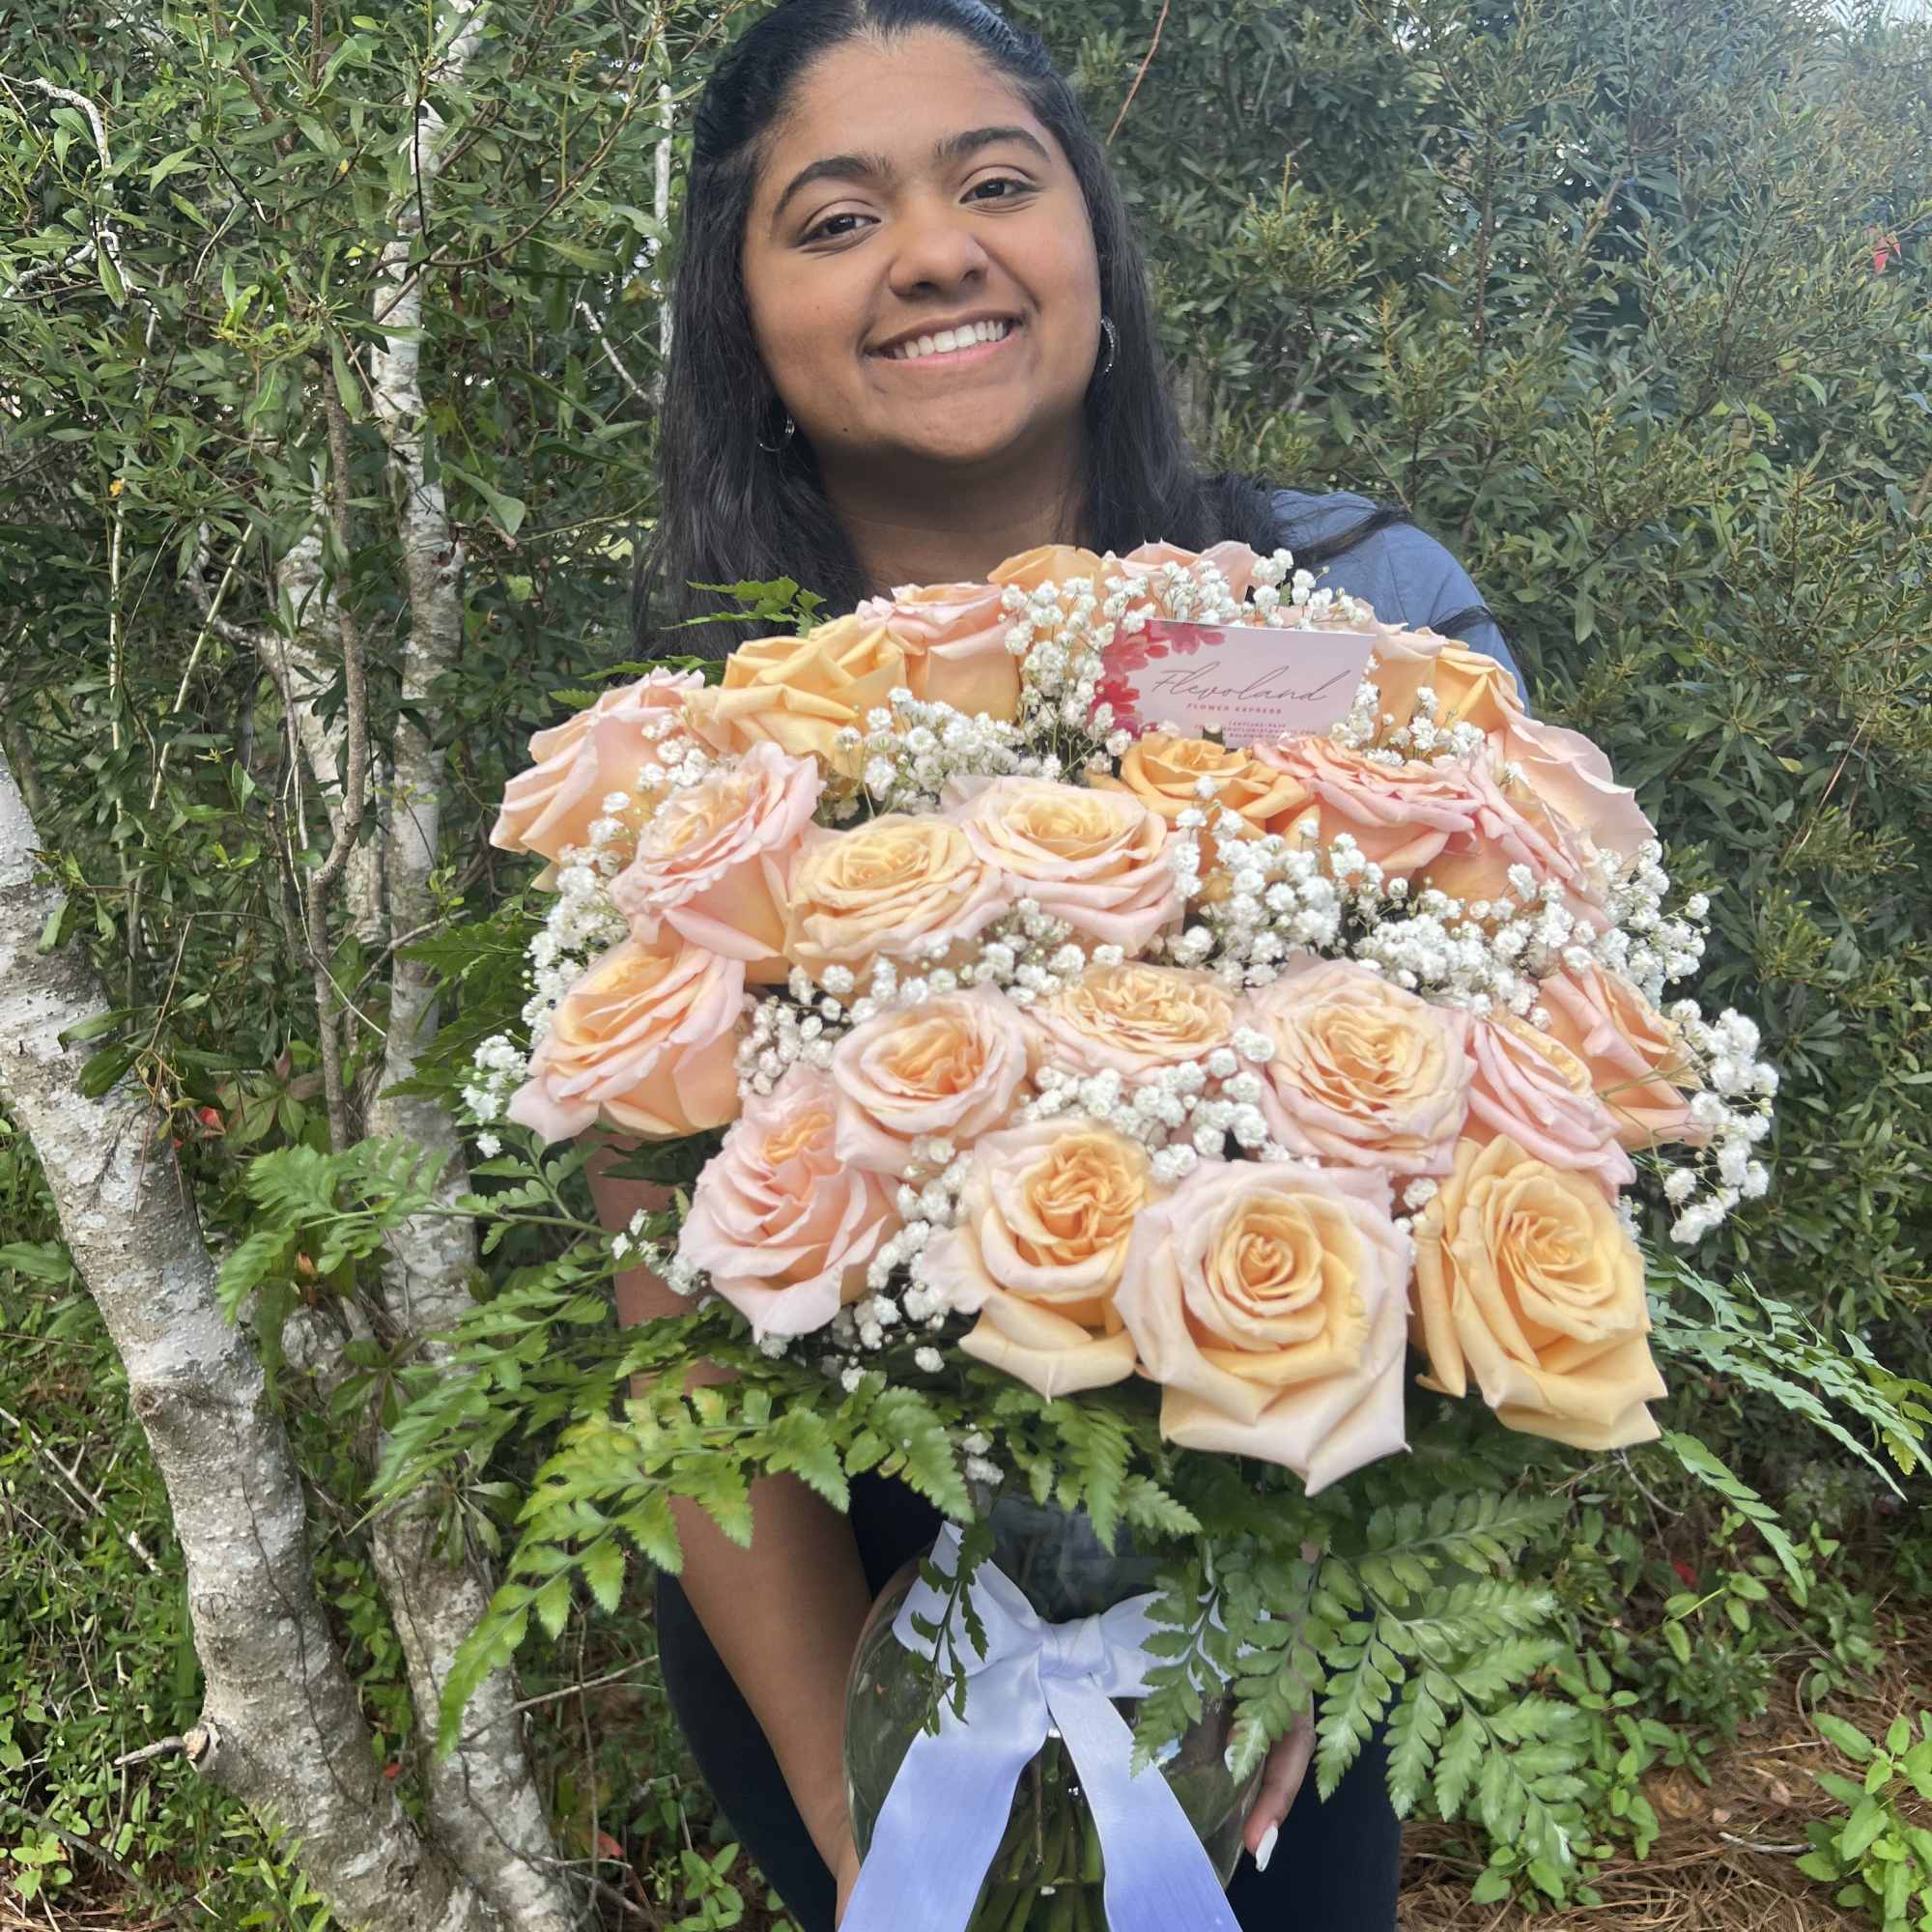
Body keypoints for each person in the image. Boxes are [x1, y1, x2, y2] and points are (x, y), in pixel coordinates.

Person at [594, 4, 1520, 1927]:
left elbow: (1517, 1138)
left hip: (1275, 1586)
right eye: (834, 218)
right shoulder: (703, 748)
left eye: (994, 183)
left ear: (1091, 247)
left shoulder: (1348, 612)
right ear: (743, 317)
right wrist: (863, 1801)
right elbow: (662, 1295)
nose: (935, 250)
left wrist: (1291, 1586)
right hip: (842, 1605)